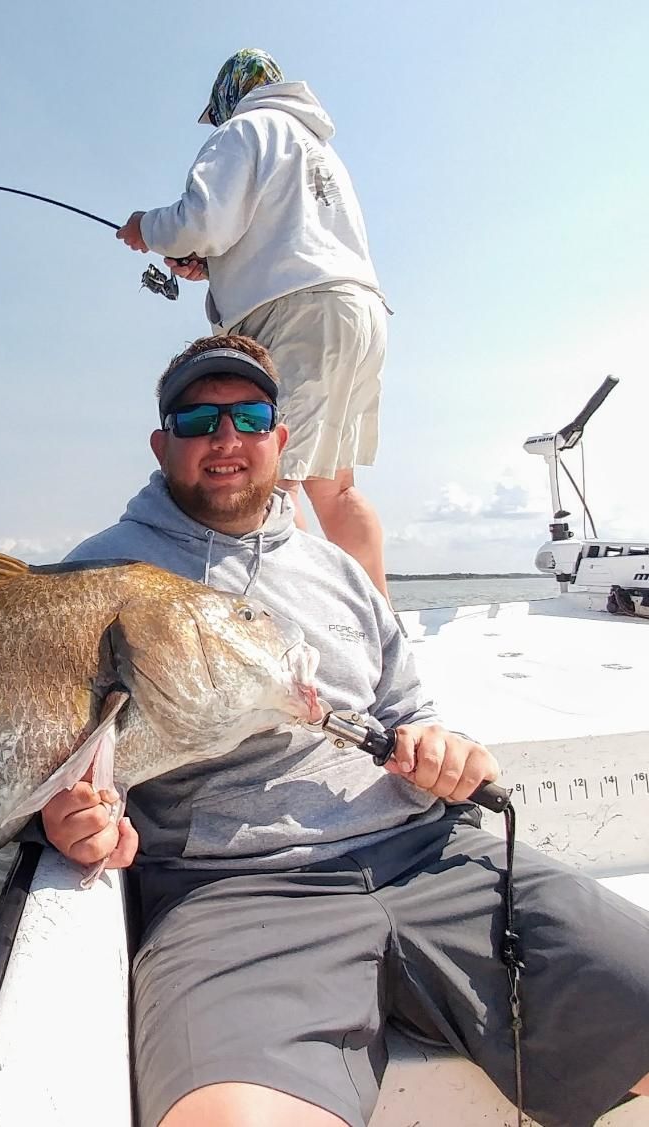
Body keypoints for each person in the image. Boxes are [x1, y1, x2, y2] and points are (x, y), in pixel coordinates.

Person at [40, 334, 649, 1127]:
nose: (225, 438)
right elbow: (46, 759)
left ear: (280, 439)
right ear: (163, 444)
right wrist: (66, 817)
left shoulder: (341, 573)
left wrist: (442, 750)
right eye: (197, 418)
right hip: (234, 896)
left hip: (436, 858)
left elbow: (408, 711)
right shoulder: (93, 576)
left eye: (249, 415)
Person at [116, 48, 392, 599]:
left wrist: (148, 228)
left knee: (270, 485)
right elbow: (277, 235)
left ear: (230, 95)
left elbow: (202, 220)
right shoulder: (318, 149)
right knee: (335, 488)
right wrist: (211, 263)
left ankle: (297, 634)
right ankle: (381, 627)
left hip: (296, 314)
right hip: (358, 312)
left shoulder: (245, 128)